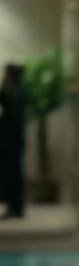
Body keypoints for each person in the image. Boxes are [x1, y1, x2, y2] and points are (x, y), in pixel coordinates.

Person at [0, 64, 27, 220]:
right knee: (14, 175)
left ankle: (15, 207)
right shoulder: (19, 91)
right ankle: (15, 207)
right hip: (13, 140)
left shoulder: (14, 92)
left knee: (12, 175)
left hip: (11, 141)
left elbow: (5, 100)